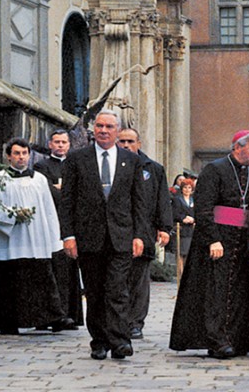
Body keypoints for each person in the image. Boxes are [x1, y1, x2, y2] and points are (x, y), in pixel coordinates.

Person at [59, 110, 146, 361]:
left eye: (109, 126)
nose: (104, 130)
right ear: (93, 129)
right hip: (89, 237)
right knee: (95, 292)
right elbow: (68, 202)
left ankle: (120, 341)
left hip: (121, 236)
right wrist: (68, 235)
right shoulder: (77, 159)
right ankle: (99, 340)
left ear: (117, 131)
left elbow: (139, 202)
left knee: (118, 290)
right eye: (99, 126)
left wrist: (139, 235)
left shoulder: (131, 161)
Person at [170, 130, 249, 358]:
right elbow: (203, 207)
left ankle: (237, 339)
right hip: (218, 240)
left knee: (239, 292)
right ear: (237, 147)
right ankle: (216, 340)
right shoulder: (215, 169)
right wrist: (213, 239)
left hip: (242, 241)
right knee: (216, 292)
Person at [0, 138, 66, 335]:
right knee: (8, 280)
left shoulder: (39, 179)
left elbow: (48, 209)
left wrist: (55, 238)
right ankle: (6, 321)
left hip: (36, 239)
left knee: (40, 277)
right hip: (10, 239)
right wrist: (12, 215)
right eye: (17, 153)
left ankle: (47, 318)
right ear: (8, 156)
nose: (21, 158)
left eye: (24, 154)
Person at [117, 128, 172, 341]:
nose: (126, 145)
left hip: (144, 230)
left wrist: (164, 227)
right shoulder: (111, 166)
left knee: (139, 280)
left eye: (130, 141)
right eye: (122, 141)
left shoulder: (154, 169)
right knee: (118, 279)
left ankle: (135, 322)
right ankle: (118, 320)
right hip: (118, 230)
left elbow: (162, 199)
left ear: (139, 143)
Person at [33, 129, 82, 329]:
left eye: (64, 142)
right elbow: (44, 190)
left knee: (70, 270)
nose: (60, 145)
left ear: (69, 145)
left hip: (72, 222)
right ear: (50, 144)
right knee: (50, 270)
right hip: (49, 222)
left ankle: (71, 314)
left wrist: (64, 190)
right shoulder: (41, 165)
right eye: (57, 142)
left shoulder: (76, 163)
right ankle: (50, 316)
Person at [172, 178, 196, 275]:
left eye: (189, 188)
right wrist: (183, 218)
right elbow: (174, 213)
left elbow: (197, 213)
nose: (187, 190)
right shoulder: (177, 200)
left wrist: (193, 219)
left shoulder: (193, 200)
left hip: (191, 230)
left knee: (189, 255)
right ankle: (180, 275)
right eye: (185, 187)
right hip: (181, 230)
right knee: (180, 254)